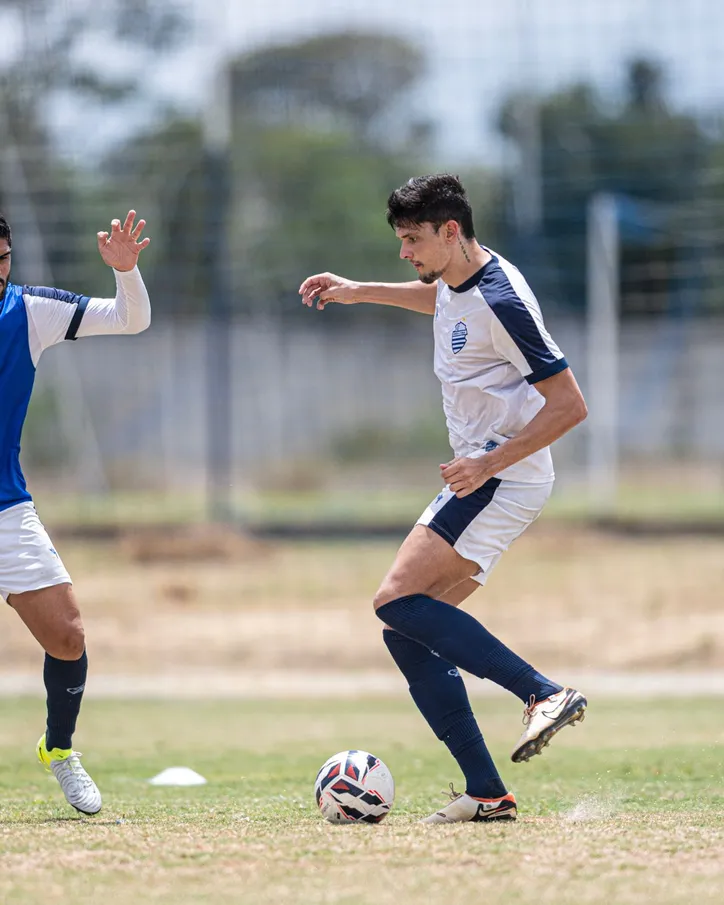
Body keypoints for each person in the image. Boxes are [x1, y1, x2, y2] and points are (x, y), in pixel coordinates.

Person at [299, 174, 588, 824]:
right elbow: (439, 301)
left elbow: (571, 404)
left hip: (499, 474)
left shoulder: (500, 299)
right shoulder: (460, 282)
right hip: (485, 471)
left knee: (395, 598)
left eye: (413, 240)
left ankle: (542, 692)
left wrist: (488, 461)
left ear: (450, 231)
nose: (405, 252)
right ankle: (487, 792)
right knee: (409, 630)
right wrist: (356, 290)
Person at [0, 210, 151, 815]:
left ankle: (58, 750)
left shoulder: (26, 311)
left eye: (3, 256)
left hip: (5, 508)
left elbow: (131, 320)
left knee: (67, 637)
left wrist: (127, 273)